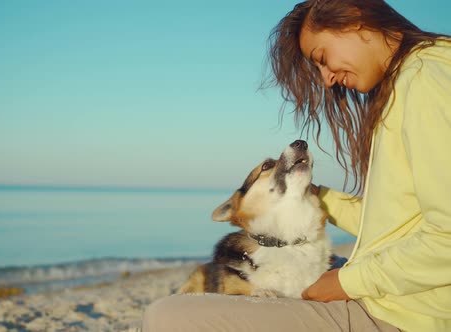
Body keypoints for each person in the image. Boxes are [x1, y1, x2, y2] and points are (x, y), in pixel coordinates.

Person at [142, 0, 451, 331]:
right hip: (403, 299)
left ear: (355, 20)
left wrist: (349, 282)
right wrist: (318, 197)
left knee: (165, 314)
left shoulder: (425, 81)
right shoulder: (422, 76)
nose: (327, 78)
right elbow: (397, 226)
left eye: (321, 58)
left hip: (405, 316)